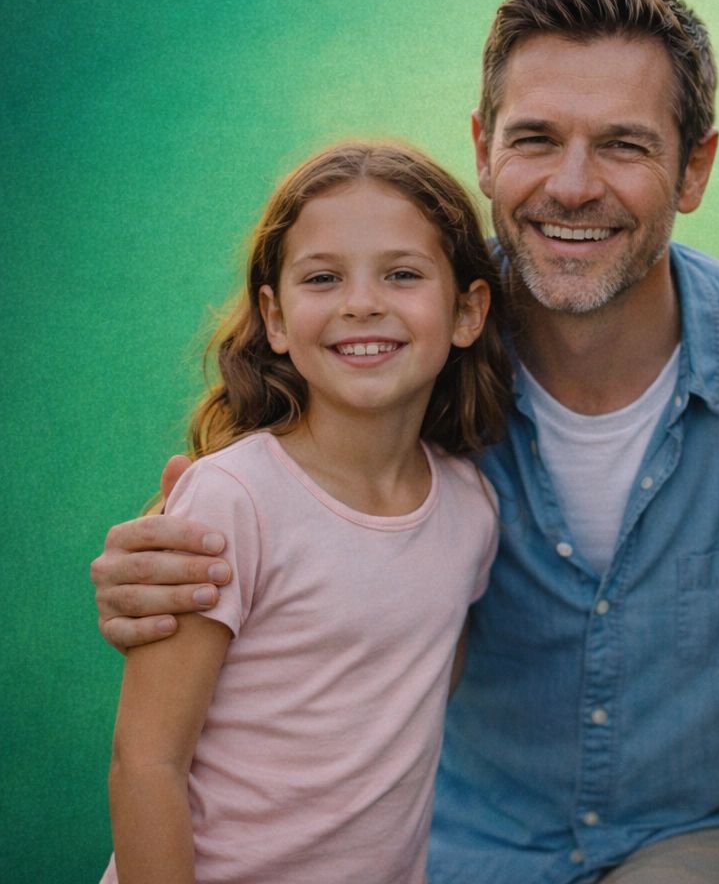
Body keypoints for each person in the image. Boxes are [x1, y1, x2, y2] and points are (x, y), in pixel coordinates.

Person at [91, 0, 719, 884]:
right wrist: (162, 576)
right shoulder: (398, 361)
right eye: (536, 139)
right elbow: (289, 536)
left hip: (692, 840)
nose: (573, 186)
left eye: (624, 144)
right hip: (457, 850)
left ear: (695, 167)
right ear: (482, 146)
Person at [101, 141, 509, 882]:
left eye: (403, 274)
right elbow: (146, 764)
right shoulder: (233, 500)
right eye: (323, 277)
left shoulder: (472, 510)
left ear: (467, 311)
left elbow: (402, 717)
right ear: (276, 316)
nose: (361, 302)